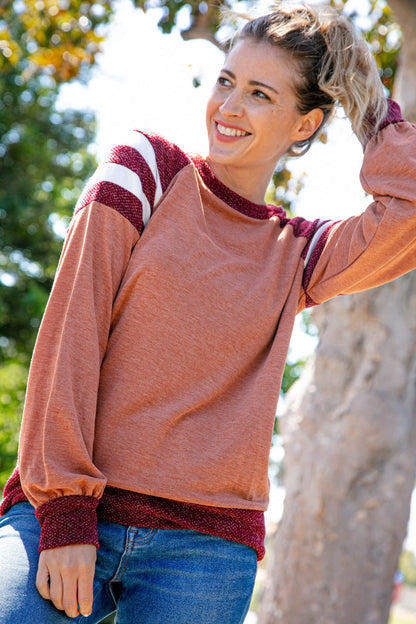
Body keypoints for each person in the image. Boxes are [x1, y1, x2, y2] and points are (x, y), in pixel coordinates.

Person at [0, 3, 415, 623]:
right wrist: (64, 512)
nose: (229, 108)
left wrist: (371, 102)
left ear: (304, 125)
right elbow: (69, 338)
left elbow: (406, 210)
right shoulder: (145, 171)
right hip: (68, 507)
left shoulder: (298, 254)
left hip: (205, 550)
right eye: (226, 81)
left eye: (258, 94)